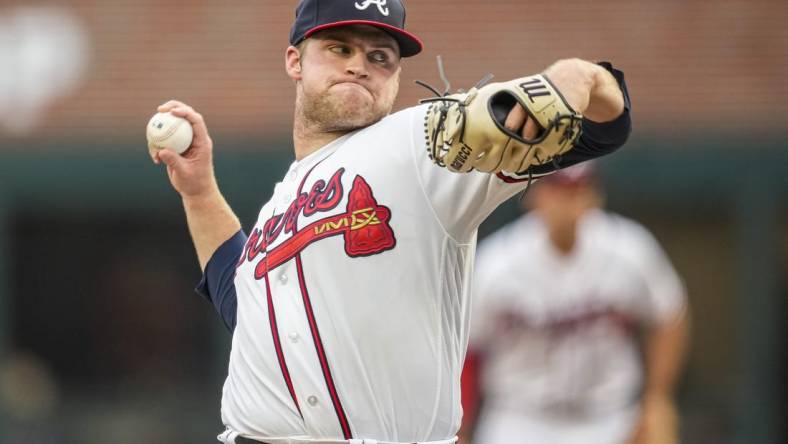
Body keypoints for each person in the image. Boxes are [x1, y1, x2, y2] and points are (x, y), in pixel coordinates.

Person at [148, 1, 632, 443]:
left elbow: (607, 127)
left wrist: (579, 78)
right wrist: (199, 191)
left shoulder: (422, 147)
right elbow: (242, 306)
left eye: (380, 57)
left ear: (396, 77)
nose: (360, 64)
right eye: (339, 48)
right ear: (295, 60)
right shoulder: (280, 206)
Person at [459, 163, 690, 444]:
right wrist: (463, 426)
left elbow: (670, 315)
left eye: (579, 190)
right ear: (534, 196)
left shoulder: (629, 248)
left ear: (595, 196)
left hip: (609, 416)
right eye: (558, 190)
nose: (568, 203)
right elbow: (466, 350)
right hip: (521, 419)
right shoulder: (497, 262)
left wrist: (657, 398)